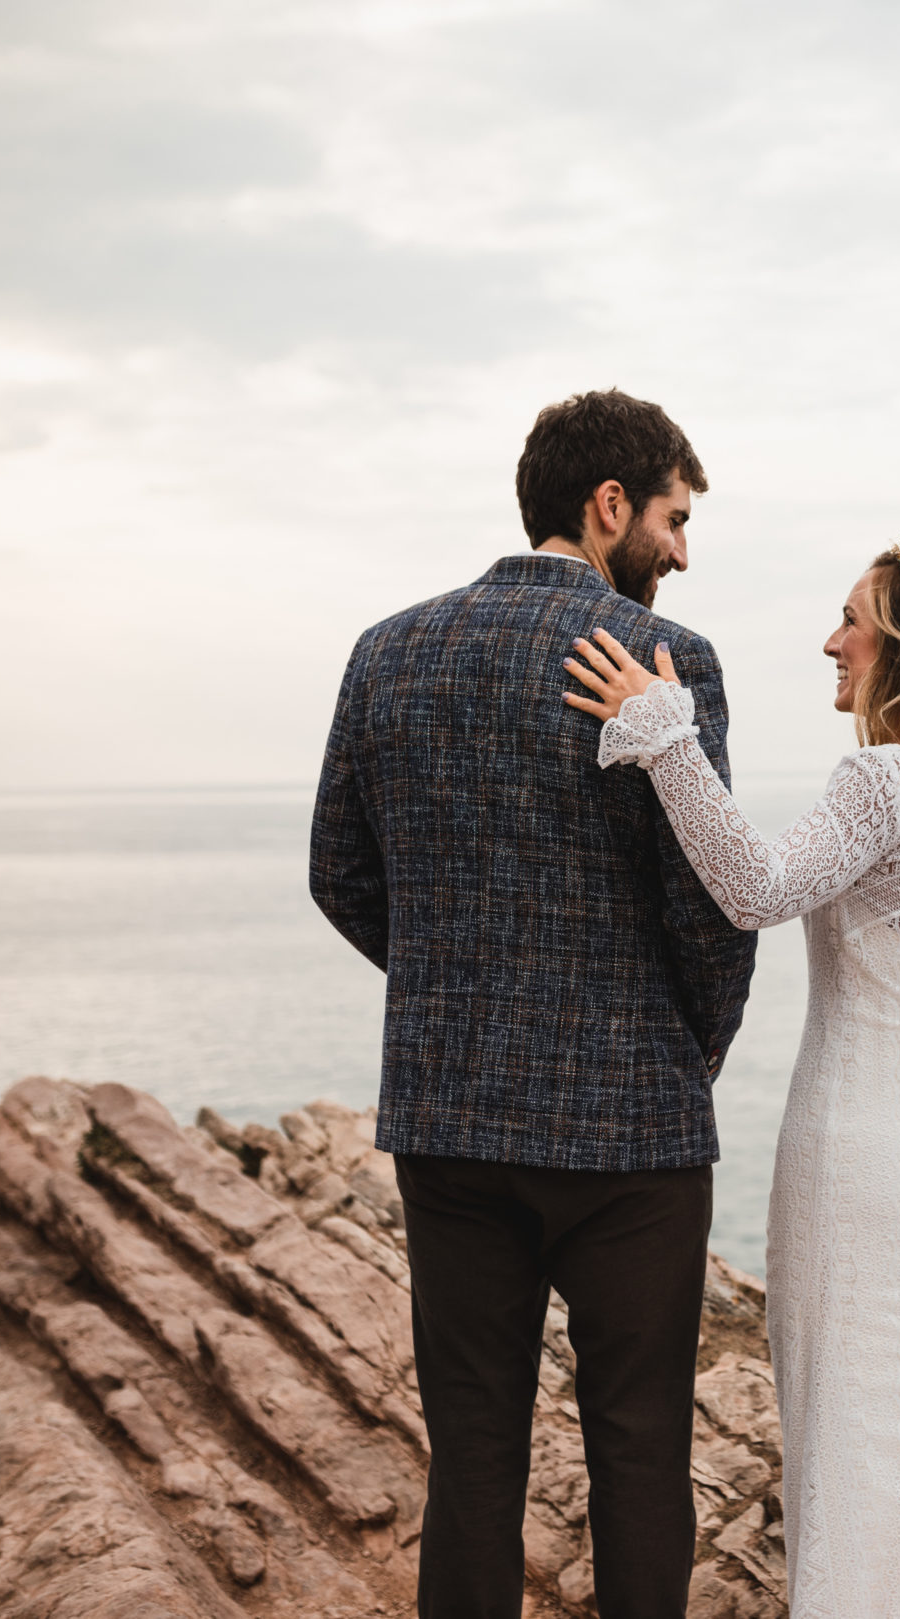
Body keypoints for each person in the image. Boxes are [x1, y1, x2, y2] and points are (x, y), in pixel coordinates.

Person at [310, 387, 759, 1619]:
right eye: (672, 516)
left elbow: (338, 873)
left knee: (471, 1455)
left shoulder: (387, 650)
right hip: (630, 1133)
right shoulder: (668, 661)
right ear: (606, 504)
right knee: (636, 1452)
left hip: (448, 1122)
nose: (680, 549)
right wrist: (679, 1052)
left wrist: (457, 990)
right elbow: (711, 905)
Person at [560, 528, 900, 1619]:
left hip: (866, 1150)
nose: (831, 640)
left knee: (853, 1439)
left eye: (853, 620)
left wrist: (664, 739)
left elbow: (754, 888)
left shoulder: (885, 777)